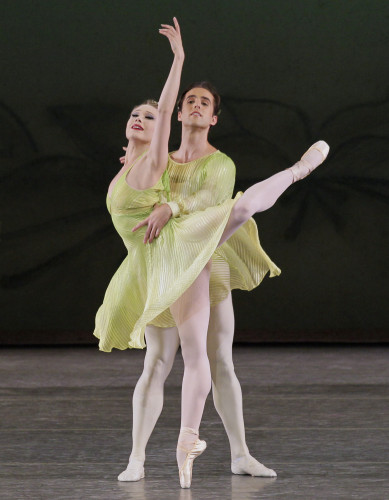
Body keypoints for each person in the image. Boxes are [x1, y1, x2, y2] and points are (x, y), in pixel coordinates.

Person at [94, 18, 329, 489]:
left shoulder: (219, 163)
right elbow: (147, 152)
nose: (194, 106)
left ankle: (239, 452)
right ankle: (138, 456)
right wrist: (137, 156)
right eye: (188, 102)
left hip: (205, 251)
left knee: (219, 357)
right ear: (177, 115)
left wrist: (170, 203)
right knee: (157, 362)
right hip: (161, 262)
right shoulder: (154, 156)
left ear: (214, 117)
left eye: (204, 103)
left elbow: (209, 204)